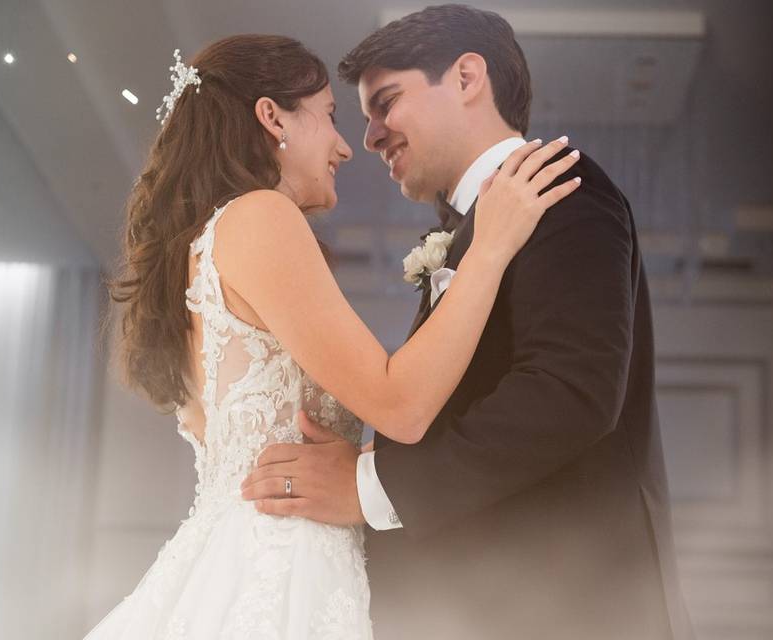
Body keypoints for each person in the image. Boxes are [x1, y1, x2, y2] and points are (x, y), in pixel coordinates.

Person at [85, 33, 578, 638]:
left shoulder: (198, 250)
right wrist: (493, 246)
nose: (347, 147)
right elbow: (402, 405)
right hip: (284, 569)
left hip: (237, 558)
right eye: (329, 116)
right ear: (272, 117)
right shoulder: (260, 215)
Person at [241, 5, 695, 640]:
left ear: (466, 76)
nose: (370, 136)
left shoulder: (559, 189)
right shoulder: (471, 226)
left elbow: (570, 395)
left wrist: (370, 485)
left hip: (570, 607)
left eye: (386, 102)